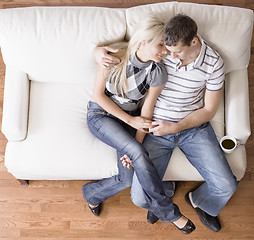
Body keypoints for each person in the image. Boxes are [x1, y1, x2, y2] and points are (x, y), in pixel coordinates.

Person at [99, 14, 238, 232]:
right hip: (155, 128)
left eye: (176, 51)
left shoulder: (213, 63)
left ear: (193, 42)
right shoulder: (162, 51)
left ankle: (201, 203)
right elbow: (133, 47)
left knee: (227, 186)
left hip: (193, 128)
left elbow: (209, 110)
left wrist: (176, 127)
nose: (168, 55)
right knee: (139, 198)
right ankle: (165, 190)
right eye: (165, 48)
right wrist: (97, 51)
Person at [82, 15, 195, 235]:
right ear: (144, 42)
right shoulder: (115, 56)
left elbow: (147, 110)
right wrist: (130, 123)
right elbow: (98, 95)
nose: (166, 51)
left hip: (130, 122)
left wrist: (135, 139)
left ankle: (91, 194)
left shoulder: (158, 71)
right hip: (101, 115)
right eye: (161, 45)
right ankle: (168, 212)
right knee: (136, 152)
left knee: (126, 178)